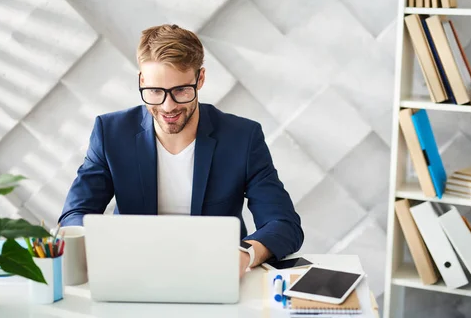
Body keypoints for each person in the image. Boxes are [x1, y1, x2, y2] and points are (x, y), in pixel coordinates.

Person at [59, 24, 304, 277]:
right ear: (142, 80)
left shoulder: (242, 137)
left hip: (214, 273)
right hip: (133, 273)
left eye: (180, 91)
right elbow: (76, 213)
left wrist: (245, 254)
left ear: (200, 79)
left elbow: (283, 224)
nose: (168, 106)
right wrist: (96, 245)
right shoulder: (110, 133)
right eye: (154, 91)